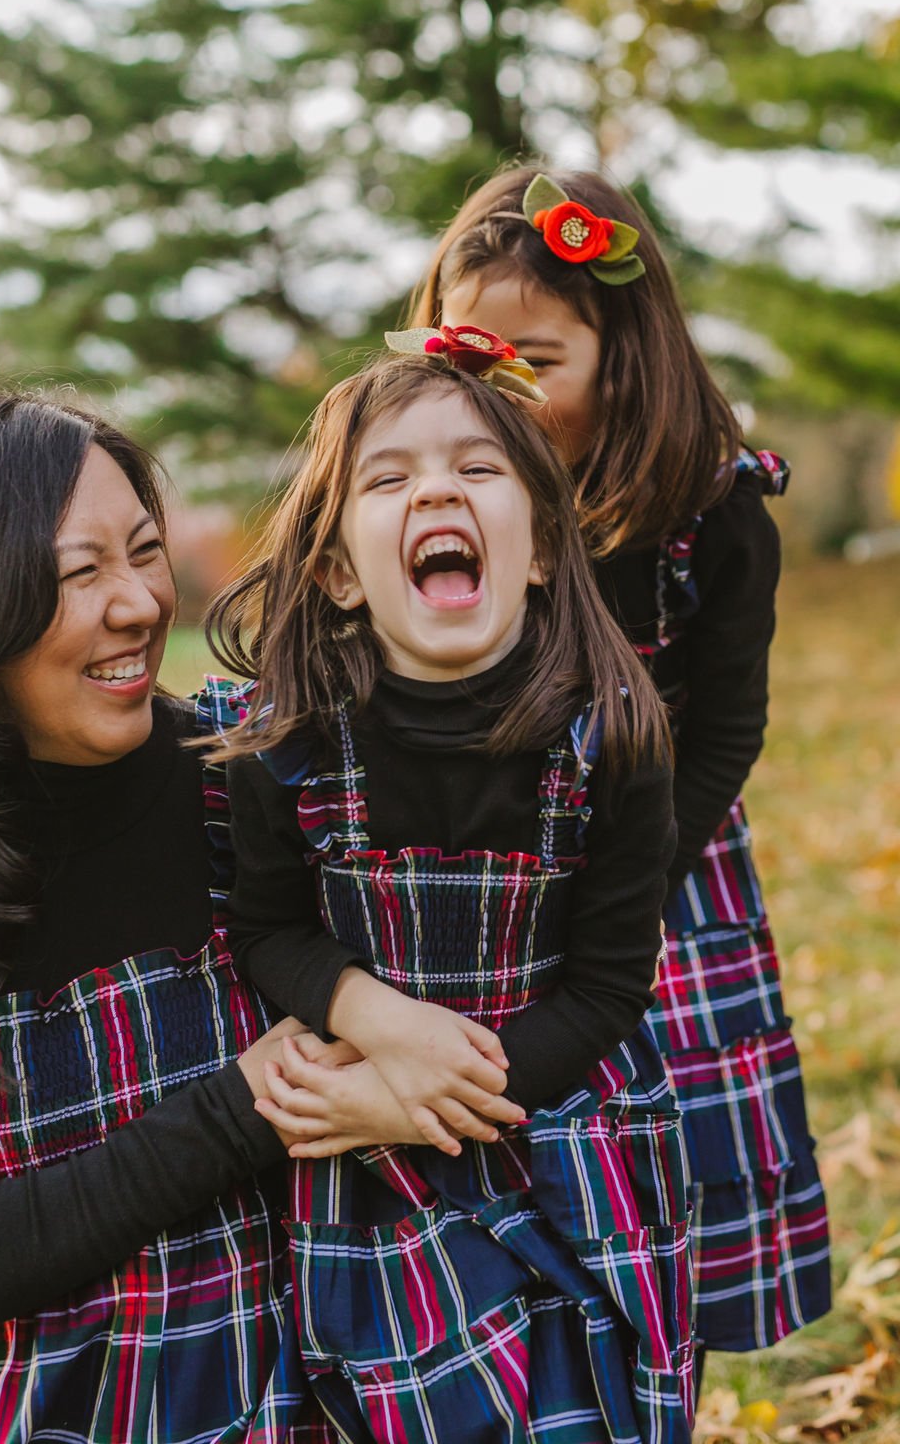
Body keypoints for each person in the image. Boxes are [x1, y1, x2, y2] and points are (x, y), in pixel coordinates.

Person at [0, 387, 418, 1444]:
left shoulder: (257, 782)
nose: (137, 604)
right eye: (79, 572)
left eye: (143, 550)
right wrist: (239, 1111)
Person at [205, 347, 696, 1443]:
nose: (435, 491)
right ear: (337, 570)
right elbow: (270, 930)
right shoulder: (284, 743)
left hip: (556, 1124)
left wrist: (416, 1100)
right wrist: (381, 1026)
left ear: (538, 550)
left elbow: (610, 988)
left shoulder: (611, 739)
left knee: (576, 1404)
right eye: (387, 481)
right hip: (364, 1163)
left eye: (477, 469)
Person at [409, 165, 833, 1369]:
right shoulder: (440, 498)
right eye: (466, 350)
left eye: (537, 360)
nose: (496, 386)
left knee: (661, 1124)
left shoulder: (709, 514)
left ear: (625, 354)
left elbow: (727, 730)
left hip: (659, 865)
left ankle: (663, 1347)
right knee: (498, 1127)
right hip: (478, 863)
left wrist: (632, 876)